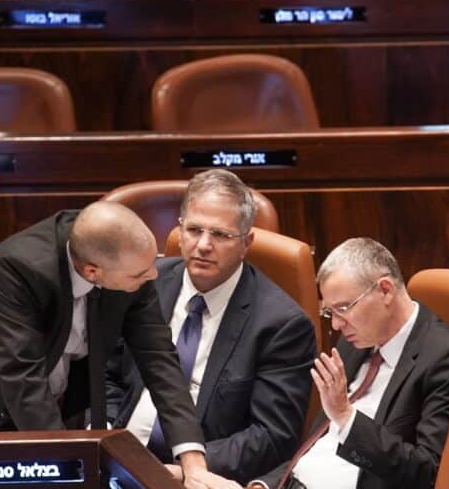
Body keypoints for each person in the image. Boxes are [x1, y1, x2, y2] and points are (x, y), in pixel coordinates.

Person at [0, 201, 232, 489]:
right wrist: (70, 467)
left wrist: (193, 461)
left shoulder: (129, 260)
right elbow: (23, 380)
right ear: (93, 272)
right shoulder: (18, 269)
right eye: (140, 275)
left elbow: (158, 357)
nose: (153, 277)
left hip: (55, 410)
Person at [106, 169, 317, 485]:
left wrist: (189, 468)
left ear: (246, 242)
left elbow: (272, 436)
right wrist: (106, 436)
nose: (203, 245)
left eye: (220, 235)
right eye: (194, 230)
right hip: (115, 463)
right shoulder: (144, 284)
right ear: (180, 231)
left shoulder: (281, 325)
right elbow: (105, 374)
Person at [247, 237, 449, 489]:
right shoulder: (356, 340)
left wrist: (346, 416)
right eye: (330, 312)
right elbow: (318, 443)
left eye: (343, 308)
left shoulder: (442, 356)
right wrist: (265, 484)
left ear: (385, 290)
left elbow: (427, 472)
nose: (336, 325)